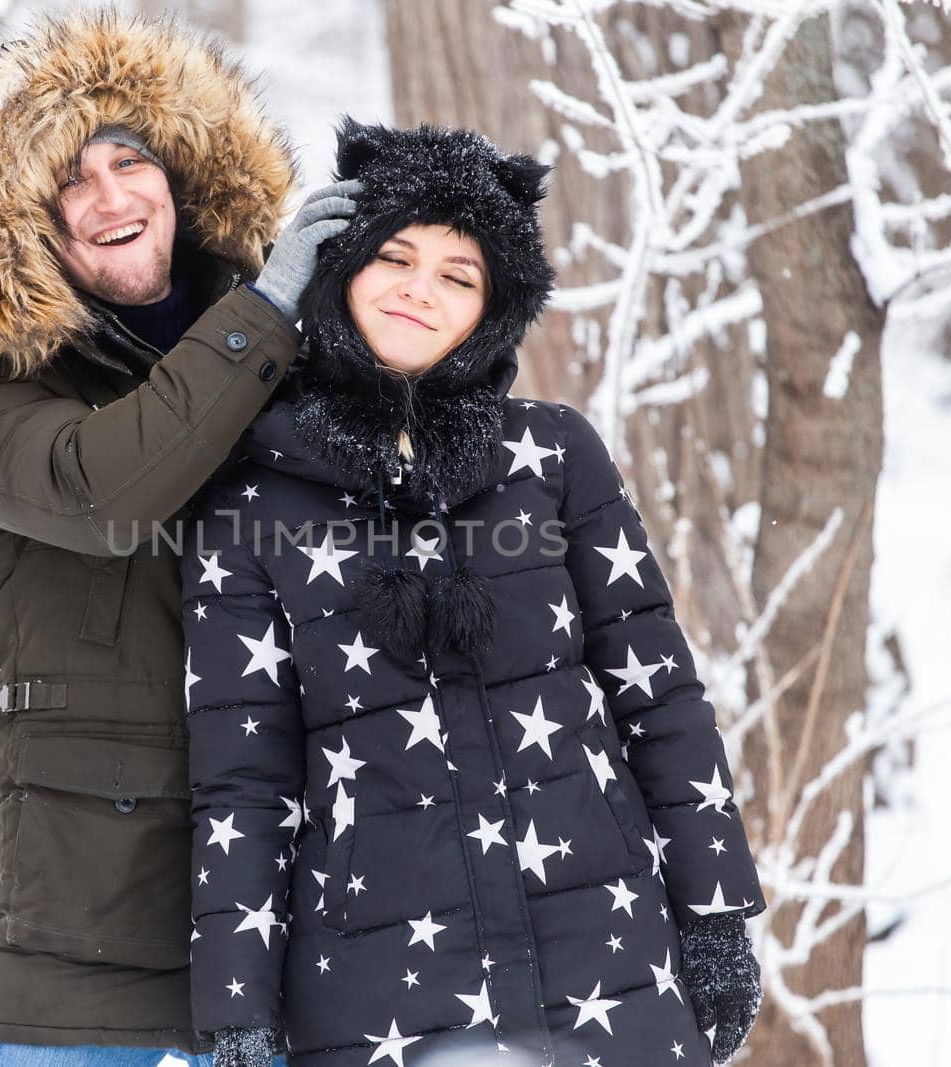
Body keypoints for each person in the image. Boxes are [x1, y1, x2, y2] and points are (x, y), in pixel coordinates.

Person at [180, 119, 767, 1067]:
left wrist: (716, 910)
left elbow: (659, 699)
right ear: (339, 267)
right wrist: (237, 1006)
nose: (421, 288)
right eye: (395, 257)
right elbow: (242, 780)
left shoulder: (554, 456)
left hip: (605, 962)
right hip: (376, 991)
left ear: (493, 310)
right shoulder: (250, 496)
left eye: (460, 275)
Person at [0, 12, 358, 1064]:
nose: (111, 195)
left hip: (285, 952)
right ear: (29, 223)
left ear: (186, 180)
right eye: (72, 181)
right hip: (73, 973)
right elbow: (110, 491)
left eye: (132, 160)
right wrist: (265, 310)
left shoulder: (293, 373)